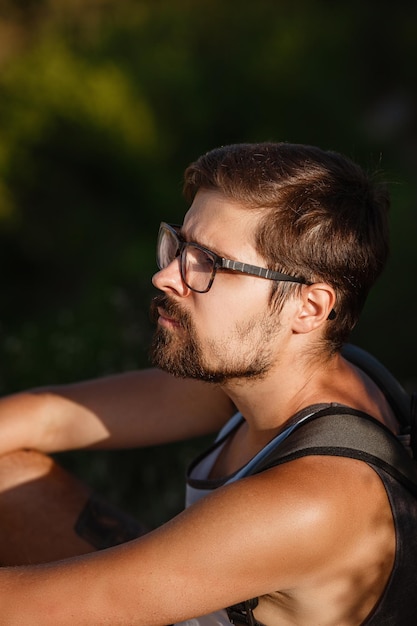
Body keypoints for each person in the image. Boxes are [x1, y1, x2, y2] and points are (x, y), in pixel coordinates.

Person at [0, 141, 414, 625]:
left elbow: (66, 607)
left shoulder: (316, 499)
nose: (165, 276)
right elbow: (49, 417)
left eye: (210, 263)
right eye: (180, 246)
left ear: (310, 308)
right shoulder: (269, 375)